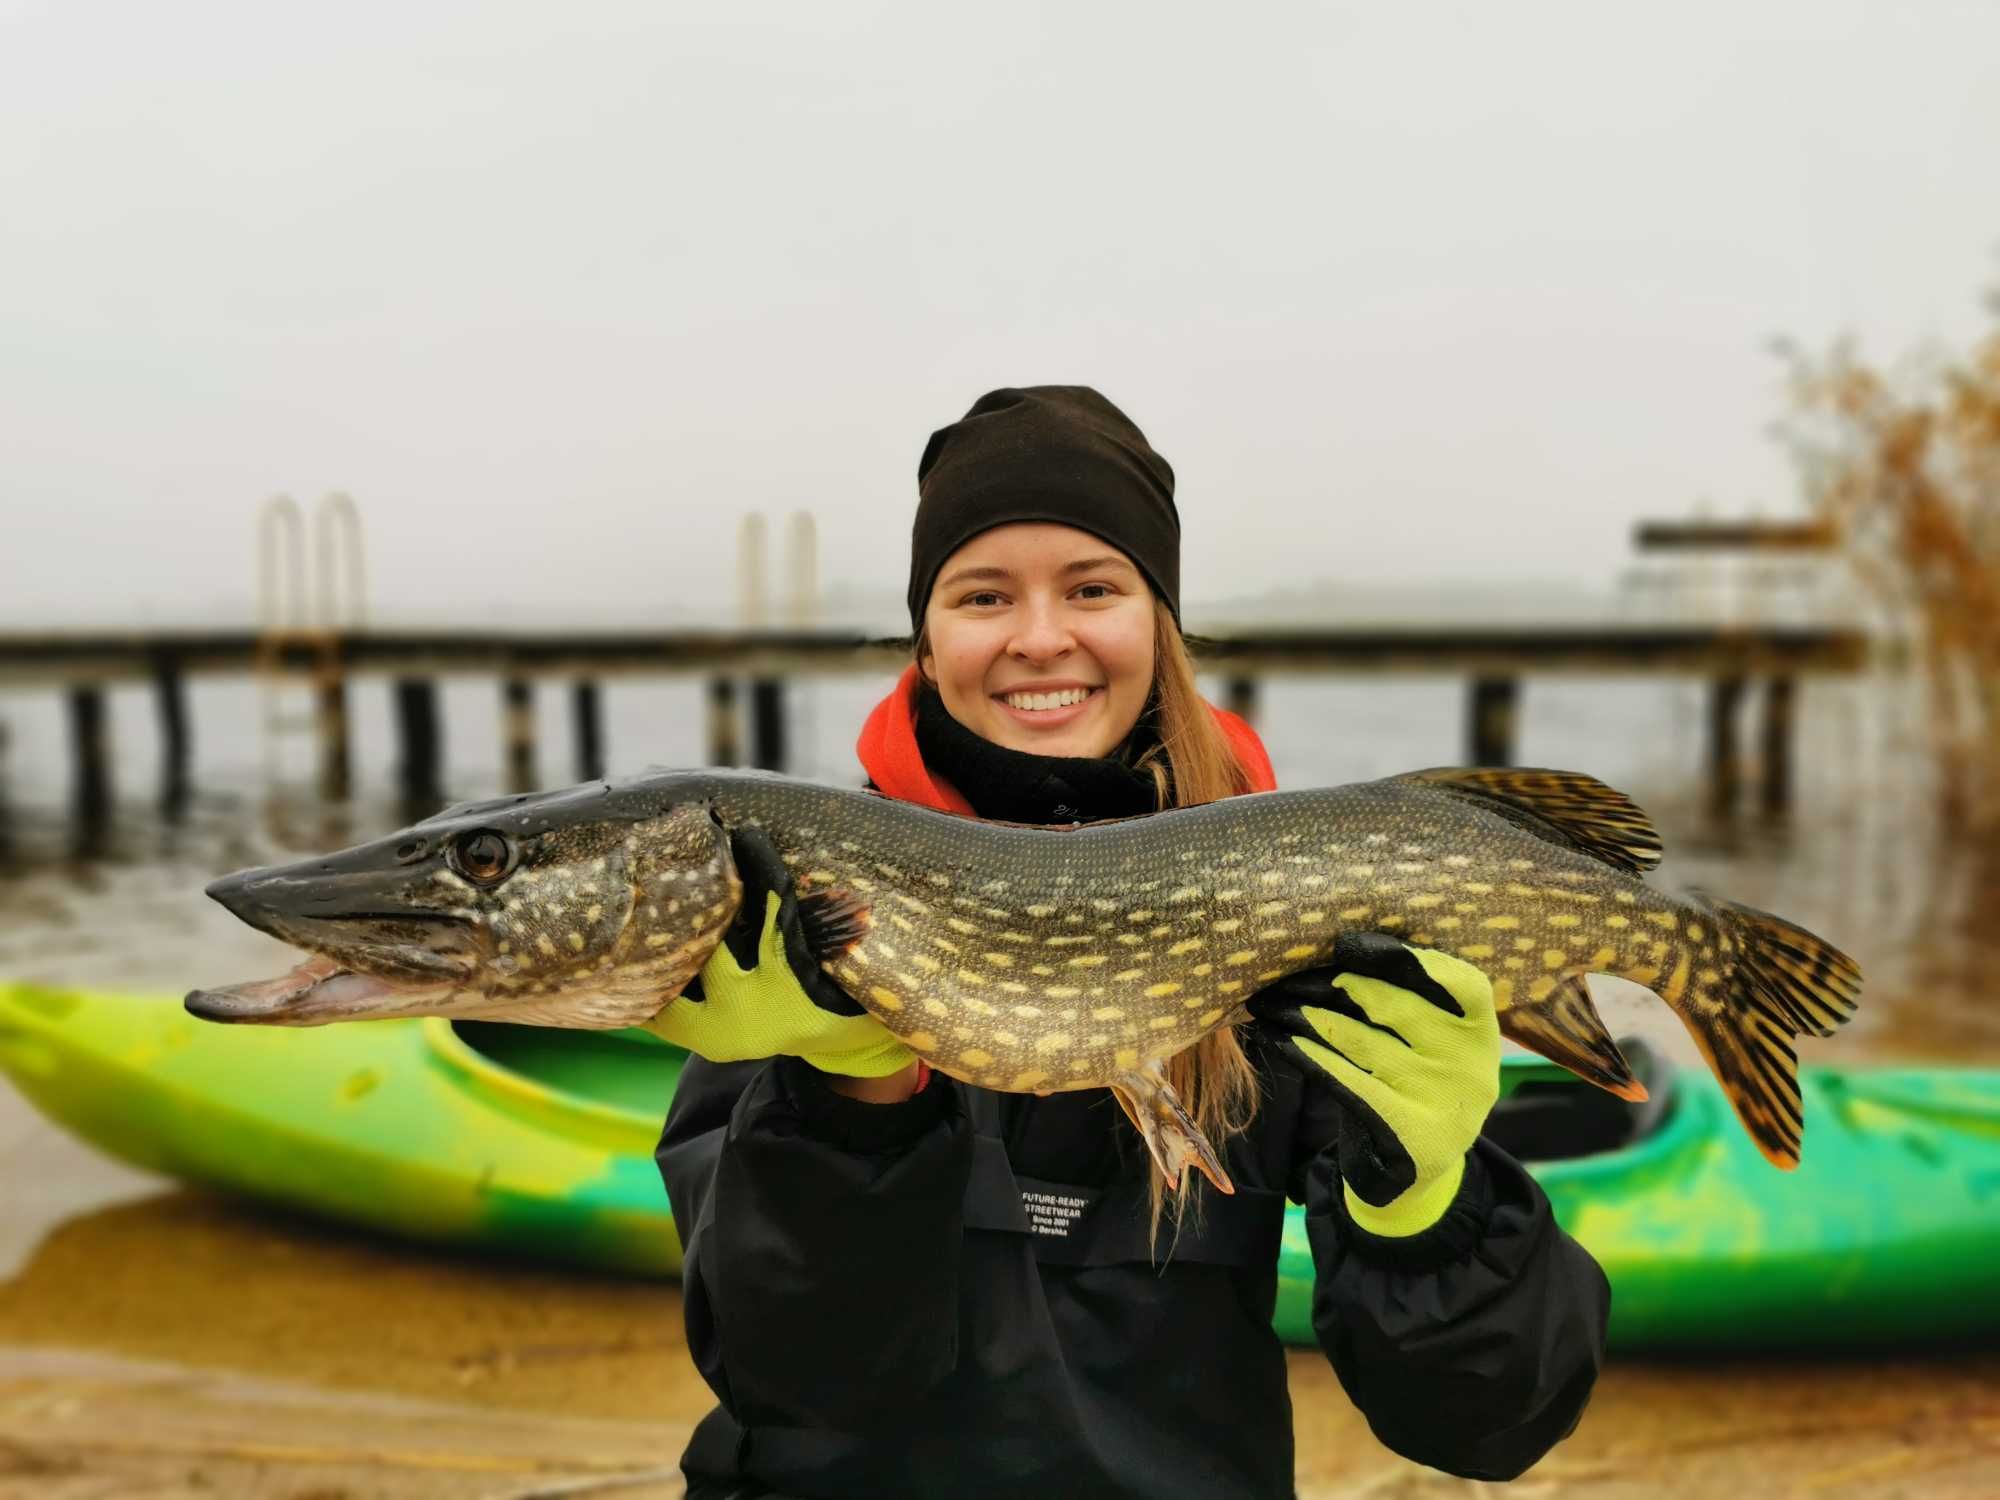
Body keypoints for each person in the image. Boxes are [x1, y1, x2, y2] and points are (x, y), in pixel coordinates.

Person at [652, 387, 1609, 1499]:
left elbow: (1487, 1425)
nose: (1039, 636)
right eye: (981, 594)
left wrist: (1427, 1203)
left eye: (1092, 587)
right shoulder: (798, 922)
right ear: (926, 635)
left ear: (1157, 619)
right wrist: (838, 1105)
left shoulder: (1297, 919)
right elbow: (794, 1376)